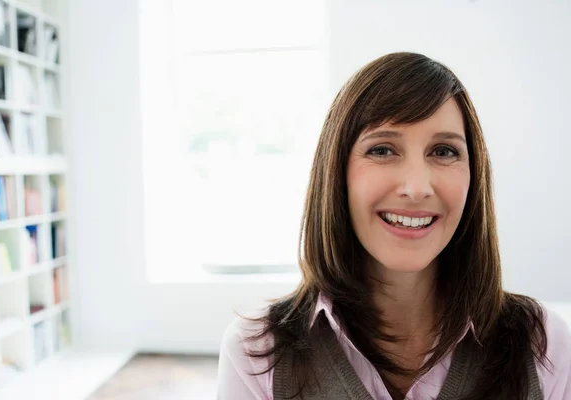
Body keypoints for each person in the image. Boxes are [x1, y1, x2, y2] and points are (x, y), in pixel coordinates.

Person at [216, 52, 571, 399]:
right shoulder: (255, 354)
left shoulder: (545, 344)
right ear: (337, 172)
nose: (417, 188)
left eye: (444, 151)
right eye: (383, 150)